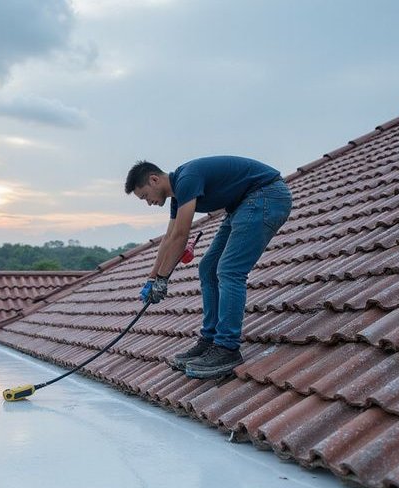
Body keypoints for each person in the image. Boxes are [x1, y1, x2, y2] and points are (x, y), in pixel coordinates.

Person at [125, 156, 292, 379]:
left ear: (154, 179)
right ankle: (210, 341)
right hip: (243, 204)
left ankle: (227, 348)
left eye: (145, 196)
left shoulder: (187, 179)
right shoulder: (178, 195)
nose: (148, 202)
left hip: (267, 196)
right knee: (207, 268)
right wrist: (152, 278)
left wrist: (163, 279)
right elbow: (169, 238)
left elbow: (182, 235)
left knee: (229, 270)